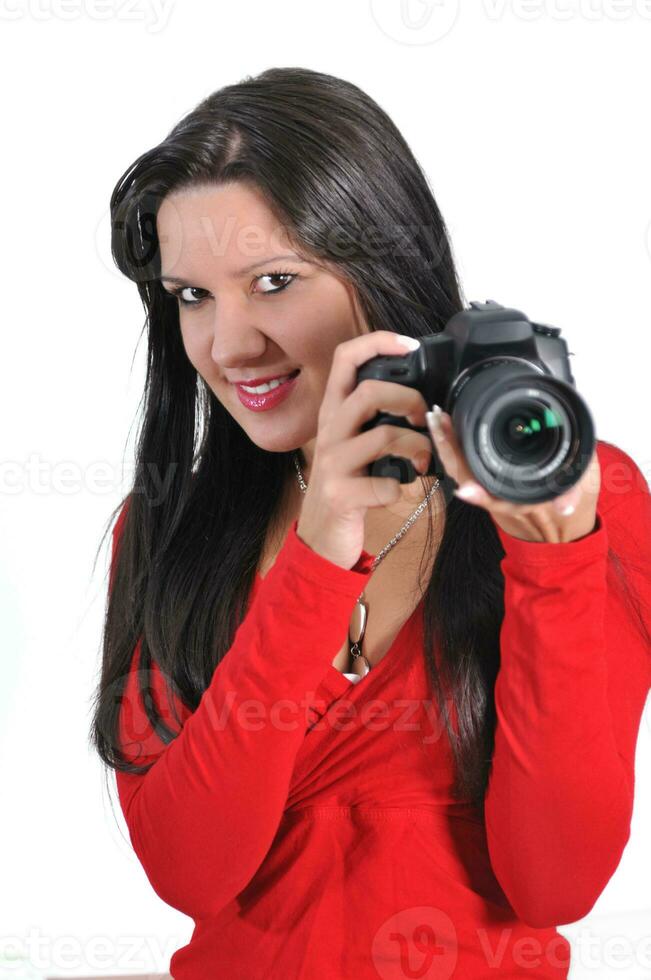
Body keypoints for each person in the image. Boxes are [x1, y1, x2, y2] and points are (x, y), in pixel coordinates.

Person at [91, 67, 651, 978]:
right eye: (192, 295)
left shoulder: (583, 494)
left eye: (273, 281)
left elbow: (556, 884)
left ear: (384, 267)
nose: (228, 345)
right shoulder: (169, 523)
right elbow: (190, 872)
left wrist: (551, 562)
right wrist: (317, 561)